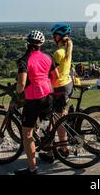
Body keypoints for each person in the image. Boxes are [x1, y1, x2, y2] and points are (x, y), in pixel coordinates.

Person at [15, 30, 58, 175]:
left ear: (27, 43)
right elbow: (56, 77)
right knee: (47, 127)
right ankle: (50, 153)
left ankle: (32, 169)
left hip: (33, 99)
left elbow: (21, 84)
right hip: (48, 95)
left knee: (27, 133)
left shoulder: (24, 60)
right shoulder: (48, 57)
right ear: (41, 44)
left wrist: (17, 92)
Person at [39, 23, 73, 164]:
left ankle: (62, 149)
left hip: (60, 87)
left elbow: (54, 73)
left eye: (54, 35)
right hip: (67, 84)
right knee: (59, 117)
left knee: (56, 120)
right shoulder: (68, 46)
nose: (53, 38)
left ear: (58, 36)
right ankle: (59, 147)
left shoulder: (58, 53)